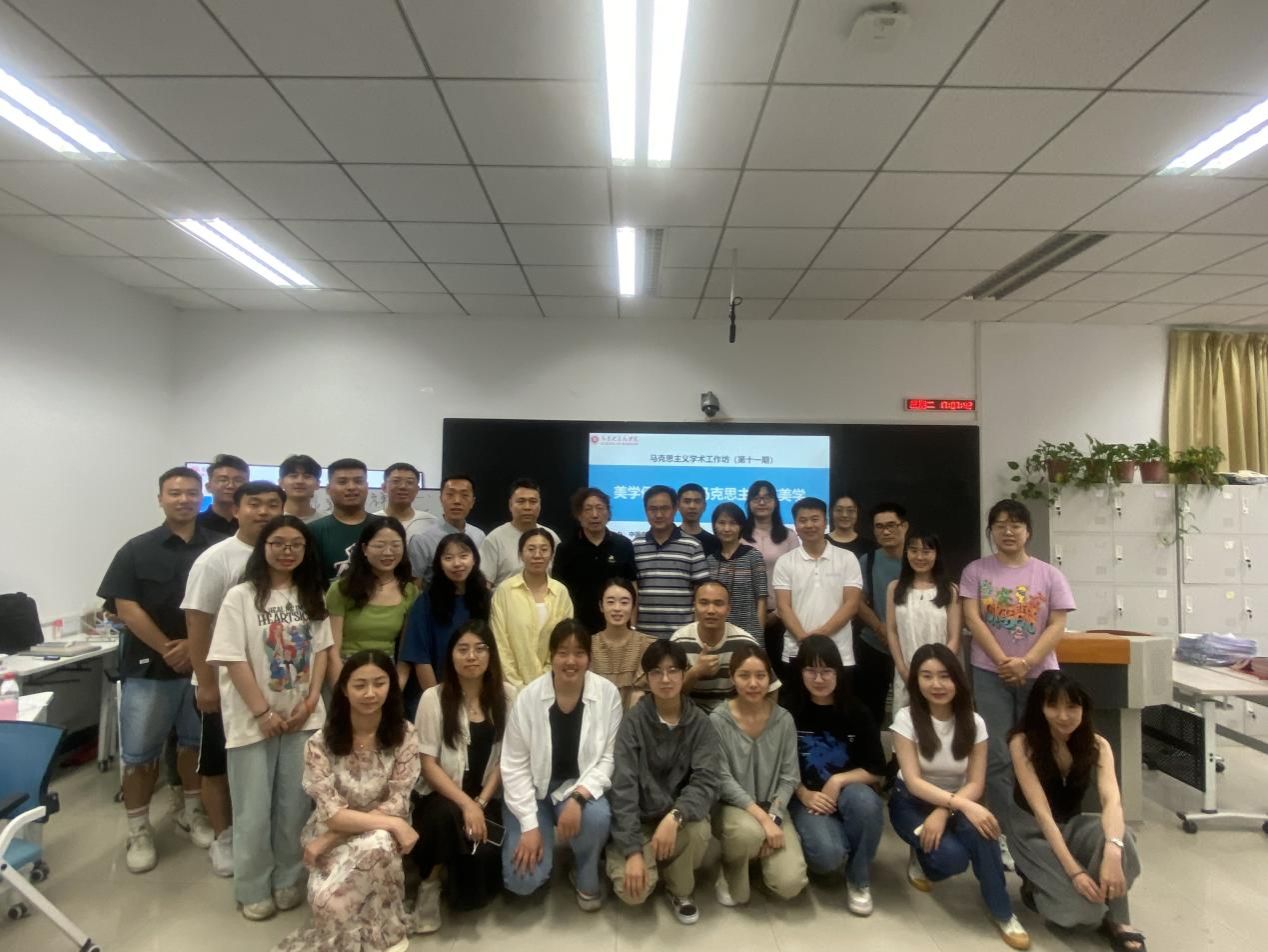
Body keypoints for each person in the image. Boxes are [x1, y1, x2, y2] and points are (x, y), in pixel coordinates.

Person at [97, 466, 222, 874]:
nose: (184, 499)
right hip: (150, 667)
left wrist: (193, 646)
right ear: (160, 498)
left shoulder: (218, 547)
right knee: (139, 753)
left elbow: (230, 603)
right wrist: (170, 647)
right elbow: (125, 607)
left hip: (202, 666)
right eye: (174, 493)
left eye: (191, 492)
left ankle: (192, 812)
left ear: (201, 496)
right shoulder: (136, 549)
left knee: (193, 744)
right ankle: (138, 830)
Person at [208, 515, 332, 921]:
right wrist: (262, 711)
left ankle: (287, 878)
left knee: (294, 806)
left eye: (296, 544)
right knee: (253, 809)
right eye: (278, 543)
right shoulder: (240, 597)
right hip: (252, 722)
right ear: (263, 547)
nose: (287, 551)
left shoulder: (311, 594)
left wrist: (311, 700)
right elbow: (231, 657)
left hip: (302, 718)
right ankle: (253, 887)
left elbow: (321, 650)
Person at [273, 651, 420, 952]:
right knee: (326, 902)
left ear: (391, 686)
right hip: (335, 831)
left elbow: (397, 802)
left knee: (378, 842)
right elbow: (332, 814)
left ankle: (384, 933)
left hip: (379, 834)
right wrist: (332, 837)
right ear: (343, 689)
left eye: (379, 683)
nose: (370, 693)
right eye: (360, 685)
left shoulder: (405, 734)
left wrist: (387, 825)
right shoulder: (318, 743)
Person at [889, 644, 1030, 950]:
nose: (936, 684)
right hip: (912, 802)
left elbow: (976, 782)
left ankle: (1003, 913)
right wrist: (958, 806)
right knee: (950, 859)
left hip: (958, 799)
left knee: (985, 833)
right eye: (927, 676)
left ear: (957, 679)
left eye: (944, 676)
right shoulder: (905, 718)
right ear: (916, 681)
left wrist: (945, 811)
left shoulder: (975, 722)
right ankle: (921, 856)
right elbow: (913, 781)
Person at [182, 480, 285, 878]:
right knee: (218, 764)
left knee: (259, 767)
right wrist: (206, 682)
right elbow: (197, 623)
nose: (264, 512)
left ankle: (261, 837)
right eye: (254, 504)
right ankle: (224, 837)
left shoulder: (285, 555)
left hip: (272, 684)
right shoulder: (216, 559)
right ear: (236, 509)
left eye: (272, 504)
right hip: (223, 686)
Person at [1008, 672, 1143, 952]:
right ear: (1040, 708)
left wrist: (1113, 851)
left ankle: (1119, 920)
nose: (1063, 716)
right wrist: (1075, 873)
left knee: (1124, 839)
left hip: (1072, 826)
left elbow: (1112, 802)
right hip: (1033, 834)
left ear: (1084, 708)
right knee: (1083, 913)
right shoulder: (1023, 744)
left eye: (1072, 706)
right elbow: (1043, 814)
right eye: (1053, 706)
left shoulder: (1097, 745)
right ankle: (1036, 885)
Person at [962, 499, 1075, 816]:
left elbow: (1058, 624)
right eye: (1000, 526)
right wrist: (1004, 661)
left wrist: (1026, 662)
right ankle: (1003, 825)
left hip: (1039, 675)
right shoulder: (975, 571)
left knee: (1040, 747)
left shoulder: (1050, 575)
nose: (1008, 532)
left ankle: (1041, 821)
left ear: (1028, 531)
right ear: (991, 531)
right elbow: (972, 619)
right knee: (997, 751)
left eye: (1015, 525)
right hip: (990, 673)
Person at [500, 620, 622, 910]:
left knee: (596, 817)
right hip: (532, 791)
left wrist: (579, 798)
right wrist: (529, 826)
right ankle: (544, 859)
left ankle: (584, 869)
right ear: (551, 656)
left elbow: (608, 758)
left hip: (577, 786)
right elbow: (514, 766)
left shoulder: (607, 694)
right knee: (522, 881)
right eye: (562, 653)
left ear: (589, 658)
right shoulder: (528, 698)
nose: (570, 661)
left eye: (579, 653)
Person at [411, 621, 515, 934]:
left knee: (473, 892)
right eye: (463, 649)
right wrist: (467, 805)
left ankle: (456, 871)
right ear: (451, 656)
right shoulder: (433, 698)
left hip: (486, 795)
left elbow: (508, 759)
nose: (472, 656)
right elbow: (427, 764)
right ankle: (429, 884)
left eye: (480, 649)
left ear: (491, 655)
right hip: (442, 795)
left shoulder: (508, 695)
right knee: (444, 817)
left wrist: (480, 802)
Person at [606, 640, 719, 924]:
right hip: (639, 820)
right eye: (656, 672)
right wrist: (633, 851)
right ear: (647, 678)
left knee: (700, 829)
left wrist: (675, 816)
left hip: (675, 819)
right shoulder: (633, 722)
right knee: (633, 894)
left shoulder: (700, 723)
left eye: (673, 671)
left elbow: (706, 781)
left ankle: (678, 887)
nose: (665, 679)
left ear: (684, 673)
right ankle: (629, 854)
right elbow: (623, 788)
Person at [785, 635, 886, 917]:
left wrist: (837, 780)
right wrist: (804, 793)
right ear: (800, 672)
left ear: (838, 672)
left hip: (849, 793)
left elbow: (876, 769)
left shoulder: (857, 711)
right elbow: (778, 765)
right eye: (811, 670)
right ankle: (842, 843)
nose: (819, 679)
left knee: (865, 802)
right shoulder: (787, 710)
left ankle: (859, 879)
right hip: (804, 797)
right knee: (827, 857)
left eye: (826, 670)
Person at [710, 643, 807, 907]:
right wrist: (763, 820)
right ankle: (731, 865)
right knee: (747, 834)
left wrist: (773, 817)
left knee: (790, 884)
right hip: (733, 808)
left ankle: (758, 859)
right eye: (744, 675)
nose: (753, 683)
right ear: (732, 678)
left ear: (769, 679)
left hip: (774, 807)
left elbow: (789, 777)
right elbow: (722, 779)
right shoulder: (718, 720)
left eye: (760, 676)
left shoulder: (784, 720)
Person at [772, 497, 863, 681]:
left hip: (839, 652)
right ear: (795, 525)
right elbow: (783, 607)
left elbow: (851, 604)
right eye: (803, 520)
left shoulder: (847, 558)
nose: (809, 525)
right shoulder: (785, 561)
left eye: (815, 519)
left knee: (839, 699)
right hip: (796, 651)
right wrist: (806, 642)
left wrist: (818, 639)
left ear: (825, 522)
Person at [325, 516, 418, 688]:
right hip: (346, 671)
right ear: (364, 549)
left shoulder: (410, 591)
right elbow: (332, 650)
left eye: (396, 545)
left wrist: (397, 687)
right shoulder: (341, 589)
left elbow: (405, 652)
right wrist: (342, 689)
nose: (388, 552)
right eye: (380, 545)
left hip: (385, 674)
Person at [401, 533, 491, 692]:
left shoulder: (487, 598)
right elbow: (420, 657)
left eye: (463, 556)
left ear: (474, 559)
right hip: (438, 688)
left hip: (481, 688)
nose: (457, 563)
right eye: (448, 558)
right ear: (439, 564)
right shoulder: (426, 602)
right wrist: (436, 698)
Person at [885, 529, 961, 711]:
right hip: (906, 672)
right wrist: (903, 670)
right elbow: (892, 631)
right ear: (906, 553)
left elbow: (954, 637)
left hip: (941, 674)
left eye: (926, 551)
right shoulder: (895, 588)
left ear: (936, 554)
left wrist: (938, 671)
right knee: (907, 721)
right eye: (914, 550)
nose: (919, 557)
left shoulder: (950, 590)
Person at [490, 528, 574, 688]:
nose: (537, 555)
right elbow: (499, 643)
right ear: (520, 554)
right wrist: (517, 685)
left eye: (544, 549)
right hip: (511, 687)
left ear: (552, 554)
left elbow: (564, 641)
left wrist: (546, 682)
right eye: (531, 549)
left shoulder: (561, 592)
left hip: (553, 684)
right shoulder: (505, 591)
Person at [852, 502, 910, 727]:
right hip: (875, 645)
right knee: (870, 711)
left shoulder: (918, 558)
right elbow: (857, 601)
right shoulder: (868, 561)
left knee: (912, 709)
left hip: (911, 646)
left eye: (891, 525)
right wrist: (880, 627)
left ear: (904, 526)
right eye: (879, 526)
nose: (886, 531)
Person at [552, 487, 637, 635]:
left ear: (608, 513)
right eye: (588, 509)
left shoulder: (623, 545)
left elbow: (632, 586)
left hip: (617, 626)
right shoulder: (566, 549)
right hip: (577, 627)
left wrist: (633, 624)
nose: (595, 514)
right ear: (578, 514)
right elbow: (557, 591)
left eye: (600, 508)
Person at [672, 579, 761, 712]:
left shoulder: (746, 643)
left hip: (732, 716)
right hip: (689, 717)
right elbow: (669, 696)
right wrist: (695, 673)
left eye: (718, 604)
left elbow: (770, 688)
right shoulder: (679, 641)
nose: (711, 610)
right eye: (704, 603)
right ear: (694, 606)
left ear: (728, 609)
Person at [634, 485, 709, 639]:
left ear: (675, 509)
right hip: (643, 636)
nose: (659, 514)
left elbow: (701, 594)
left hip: (682, 636)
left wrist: (695, 634)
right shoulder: (635, 546)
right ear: (645, 511)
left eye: (665, 508)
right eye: (653, 509)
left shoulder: (693, 546)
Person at [742, 480, 802, 661]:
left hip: (782, 614)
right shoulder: (739, 535)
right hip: (746, 614)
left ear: (775, 502)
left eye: (767, 498)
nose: (762, 502)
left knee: (780, 665)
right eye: (756, 498)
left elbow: (797, 578)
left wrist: (777, 614)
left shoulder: (789, 536)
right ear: (749, 503)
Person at [590, 578, 656, 710]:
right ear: (601, 606)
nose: (617, 608)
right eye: (610, 602)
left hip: (637, 719)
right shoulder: (588, 645)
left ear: (633, 607)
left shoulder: (648, 645)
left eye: (624, 602)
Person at [480, 477, 561, 587]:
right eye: (521, 501)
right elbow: (485, 584)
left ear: (540, 505)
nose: (527, 507)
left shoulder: (551, 537)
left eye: (533, 502)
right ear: (510, 505)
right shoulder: (494, 539)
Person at [408, 474, 486, 584]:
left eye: (464, 495)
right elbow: (416, 583)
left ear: (472, 502)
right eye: (450, 494)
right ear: (441, 499)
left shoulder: (479, 535)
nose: (457, 501)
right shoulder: (422, 539)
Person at [705, 501, 767, 638]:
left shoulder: (753, 556)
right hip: (716, 634)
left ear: (741, 526)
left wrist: (758, 636)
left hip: (748, 633)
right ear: (714, 526)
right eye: (721, 523)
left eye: (733, 523)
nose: (727, 528)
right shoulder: (710, 560)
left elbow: (761, 599)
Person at [308, 458, 372, 583]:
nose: (351, 487)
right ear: (328, 489)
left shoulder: (384, 526)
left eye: (358, 481)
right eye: (342, 482)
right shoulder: (313, 530)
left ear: (367, 486)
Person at [375, 461, 437, 541]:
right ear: (384, 487)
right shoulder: (373, 521)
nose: (403, 486)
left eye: (410, 482)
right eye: (396, 481)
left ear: (417, 489)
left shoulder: (431, 522)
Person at [198, 453, 249, 536]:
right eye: (223, 480)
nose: (230, 486)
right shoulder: (194, 524)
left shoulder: (253, 524)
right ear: (208, 487)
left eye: (238, 480)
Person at [676, 482, 721, 558]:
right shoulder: (670, 538)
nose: (692, 506)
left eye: (697, 501)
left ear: (704, 506)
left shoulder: (715, 542)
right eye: (687, 501)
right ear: (678, 505)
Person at [828, 493, 875, 561]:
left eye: (850, 510)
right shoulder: (821, 542)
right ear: (831, 512)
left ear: (857, 512)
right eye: (839, 510)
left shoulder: (869, 546)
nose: (844, 515)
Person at [279, 454, 322, 523]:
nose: (300, 481)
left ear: (317, 484)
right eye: (293, 476)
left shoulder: (325, 522)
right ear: (281, 482)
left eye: (307, 476)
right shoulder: (271, 520)